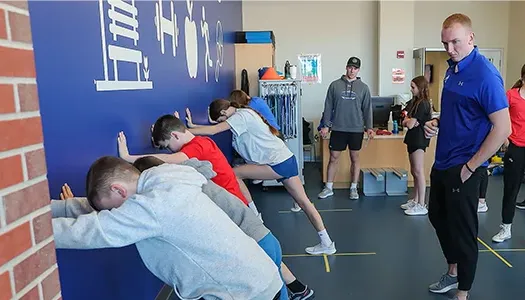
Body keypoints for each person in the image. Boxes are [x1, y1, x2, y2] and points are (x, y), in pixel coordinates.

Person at [58, 157, 315, 300]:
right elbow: (105, 214)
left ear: (118, 190)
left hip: (245, 293)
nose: (116, 214)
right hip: (260, 279)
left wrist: (31, 231)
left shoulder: (155, 206)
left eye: (113, 208)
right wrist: (58, 208)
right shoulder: (168, 179)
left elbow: (92, 231)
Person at [423, 13, 511, 300]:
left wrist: (472, 166)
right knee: (437, 216)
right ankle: (453, 272)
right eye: (445, 43)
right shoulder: (452, 70)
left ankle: (463, 292)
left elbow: (503, 128)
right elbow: (458, 113)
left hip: (465, 168)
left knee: (463, 231)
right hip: (442, 162)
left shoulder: (485, 75)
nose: (449, 49)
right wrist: (437, 122)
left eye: (455, 42)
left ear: (471, 39)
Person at [181, 100, 336, 255]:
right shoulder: (246, 112)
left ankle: (254, 214)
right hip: (286, 159)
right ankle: (326, 242)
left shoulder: (240, 117)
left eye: (223, 120)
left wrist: (187, 131)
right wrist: (193, 126)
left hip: (278, 164)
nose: (225, 123)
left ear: (224, 113)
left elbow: (215, 130)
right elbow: (217, 127)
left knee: (234, 173)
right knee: (305, 203)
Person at [117, 115, 263, 219]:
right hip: (235, 203)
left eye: (167, 146)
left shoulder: (196, 147)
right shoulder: (202, 142)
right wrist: (161, 134)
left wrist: (128, 157)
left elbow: (171, 160)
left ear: (175, 135)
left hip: (232, 207)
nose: (170, 150)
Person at [318, 56, 374, 200]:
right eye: (350, 67)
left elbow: (367, 109)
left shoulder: (364, 88)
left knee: (355, 158)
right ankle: (329, 187)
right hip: (338, 128)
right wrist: (325, 125)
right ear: (346, 67)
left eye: (355, 68)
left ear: (358, 70)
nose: (352, 70)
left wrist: (369, 127)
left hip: (356, 129)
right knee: (333, 157)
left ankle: (353, 187)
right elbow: (328, 107)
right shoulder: (334, 85)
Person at [491, 63, 525, 243]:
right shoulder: (511, 96)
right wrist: (505, 138)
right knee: (511, 190)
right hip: (516, 147)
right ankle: (506, 228)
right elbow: (501, 118)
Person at [400, 76, 431, 216]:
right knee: (414, 171)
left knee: (418, 171)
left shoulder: (423, 104)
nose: (411, 90)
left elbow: (411, 124)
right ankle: (416, 199)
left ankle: (422, 204)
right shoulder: (414, 102)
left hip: (419, 139)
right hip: (412, 138)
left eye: (413, 87)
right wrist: (407, 120)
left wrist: (408, 121)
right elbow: (404, 118)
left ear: (420, 88)